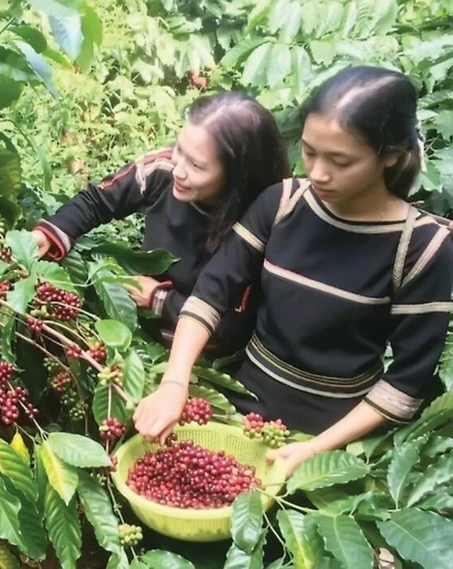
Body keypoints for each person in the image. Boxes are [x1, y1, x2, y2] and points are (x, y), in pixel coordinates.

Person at [134, 66, 453, 477]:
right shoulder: (281, 203)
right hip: (239, 409)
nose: (318, 173)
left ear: (391, 155)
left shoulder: (423, 247)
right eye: (309, 151)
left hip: (335, 441)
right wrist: (175, 384)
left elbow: (407, 382)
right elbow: (213, 292)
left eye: (341, 161)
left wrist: (314, 452)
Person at [31, 91, 291, 357]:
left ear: (237, 176)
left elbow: (235, 326)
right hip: (139, 332)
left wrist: (158, 299)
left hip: (206, 360)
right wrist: (51, 233)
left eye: (197, 165)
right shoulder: (163, 169)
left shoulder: (260, 223)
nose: (178, 168)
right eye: (180, 149)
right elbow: (98, 200)